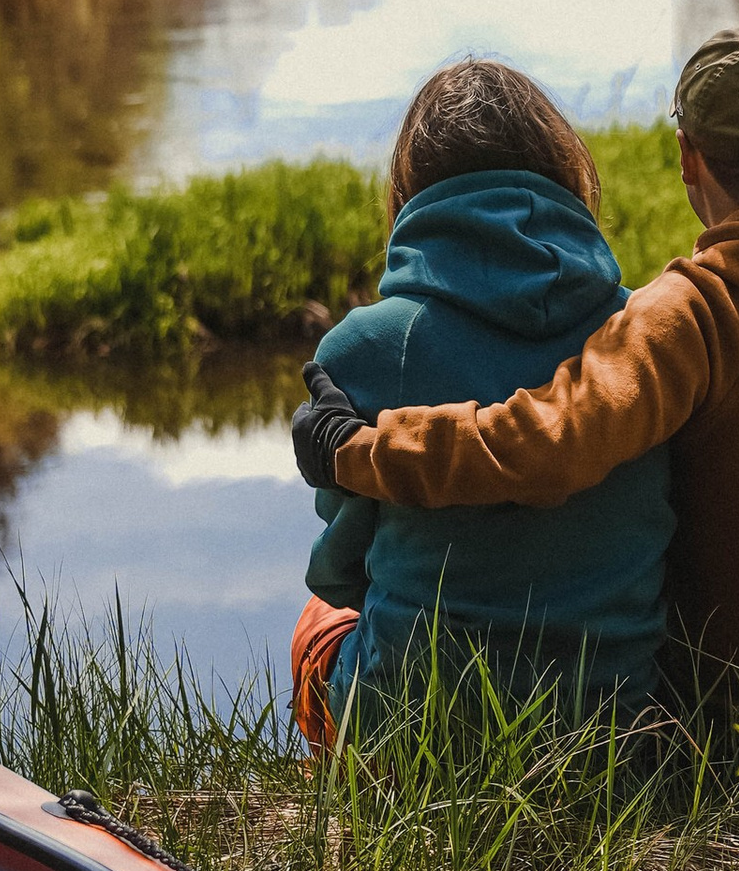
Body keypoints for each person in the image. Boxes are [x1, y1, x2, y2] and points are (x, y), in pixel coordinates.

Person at [295, 26, 739, 705]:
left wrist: (359, 452)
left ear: (687, 157)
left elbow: (546, 446)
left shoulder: (691, 315)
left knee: (326, 625)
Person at [287, 60, 672, 745]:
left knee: (317, 621)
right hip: (611, 734)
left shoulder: (364, 347)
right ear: (567, 177)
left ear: (410, 191)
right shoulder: (641, 338)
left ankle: (340, 796)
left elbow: (341, 572)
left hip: (412, 733)